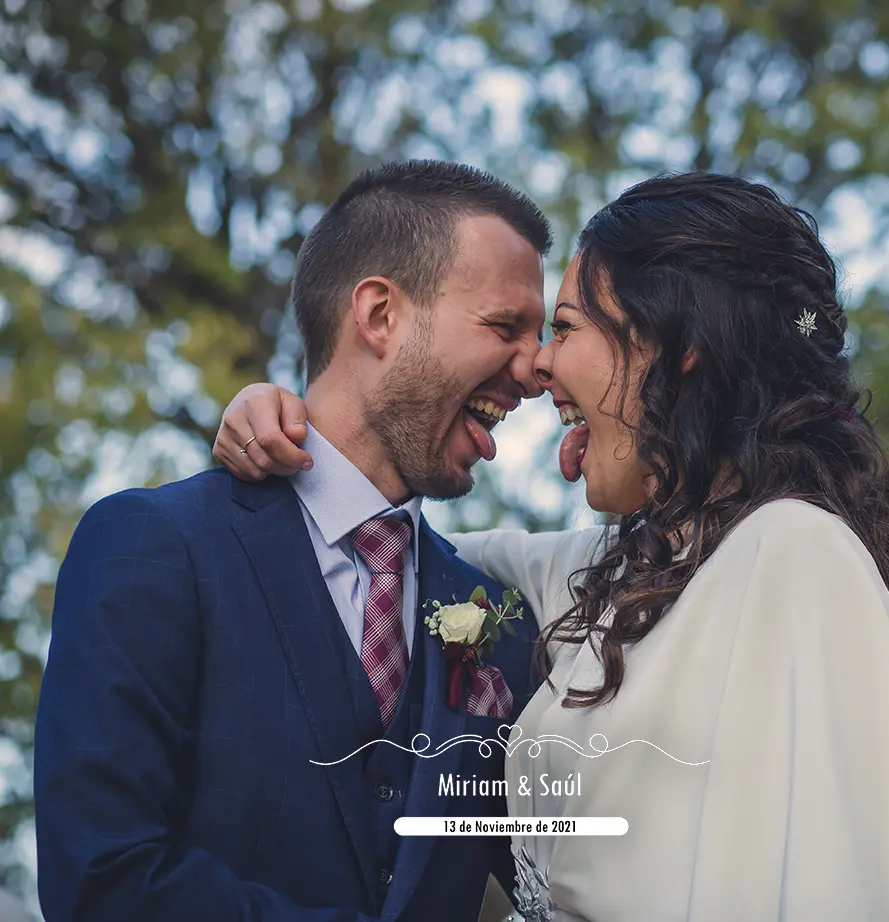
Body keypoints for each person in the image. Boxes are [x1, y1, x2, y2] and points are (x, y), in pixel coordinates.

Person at [217, 171, 889, 921]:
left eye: (565, 327)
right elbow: (380, 554)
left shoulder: (796, 554)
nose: (538, 364)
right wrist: (295, 429)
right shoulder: (601, 577)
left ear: (675, 343)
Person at [34, 160, 555, 922]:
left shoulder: (504, 624)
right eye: (506, 327)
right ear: (379, 314)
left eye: (543, 337)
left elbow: (564, 884)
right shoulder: (154, 548)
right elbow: (101, 879)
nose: (537, 369)